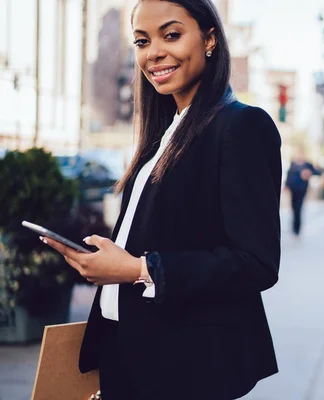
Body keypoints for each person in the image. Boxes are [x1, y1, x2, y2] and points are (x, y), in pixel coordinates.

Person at [40, 1, 282, 398]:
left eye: (171, 35)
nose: (153, 52)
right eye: (141, 40)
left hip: (184, 367)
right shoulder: (162, 134)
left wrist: (140, 269)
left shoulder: (241, 126)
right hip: (125, 351)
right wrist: (100, 258)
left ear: (209, 39)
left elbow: (255, 263)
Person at [284, 147, 321, 237]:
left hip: (302, 189)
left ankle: (297, 229)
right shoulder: (293, 163)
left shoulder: (307, 164)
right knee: (293, 208)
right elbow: (289, 174)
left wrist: (309, 172)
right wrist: (287, 185)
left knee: (298, 208)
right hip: (293, 189)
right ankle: (294, 227)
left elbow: (317, 172)